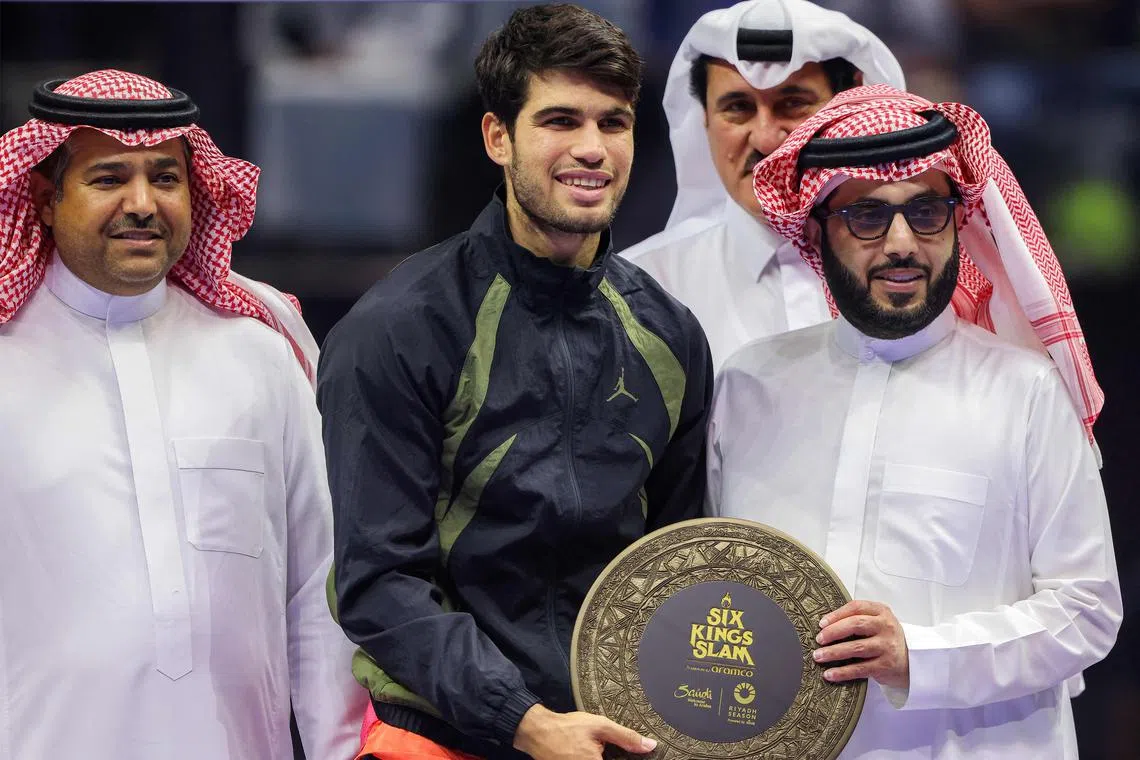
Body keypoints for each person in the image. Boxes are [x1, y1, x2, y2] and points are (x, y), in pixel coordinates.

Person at [317, 5, 713, 760]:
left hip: (611, 736)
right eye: (560, 121)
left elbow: (673, 565)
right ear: (499, 137)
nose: (592, 149)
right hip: (439, 737)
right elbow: (379, 585)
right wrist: (528, 723)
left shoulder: (671, 334)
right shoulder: (398, 327)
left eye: (614, 122)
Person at [707, 84, 1122, 756]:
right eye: (868, 217)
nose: (903, 243)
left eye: (926, 212)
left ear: (958, 221)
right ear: (816, 232)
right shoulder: (750, 386)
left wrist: (919, 656)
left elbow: (1087, 612)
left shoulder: (1026, 393)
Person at [0, 70, 366, 759]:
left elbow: (322, 595)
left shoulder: (261, 348)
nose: (143, 204)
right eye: (108, 179)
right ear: (44, 200)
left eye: (165, 179)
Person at [621, 0, 905, 371]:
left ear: (849, 106)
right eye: (738, 108)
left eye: (793, 104)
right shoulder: (642, 289)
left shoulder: (916, 269)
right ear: (703, 117)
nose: (767, 140)